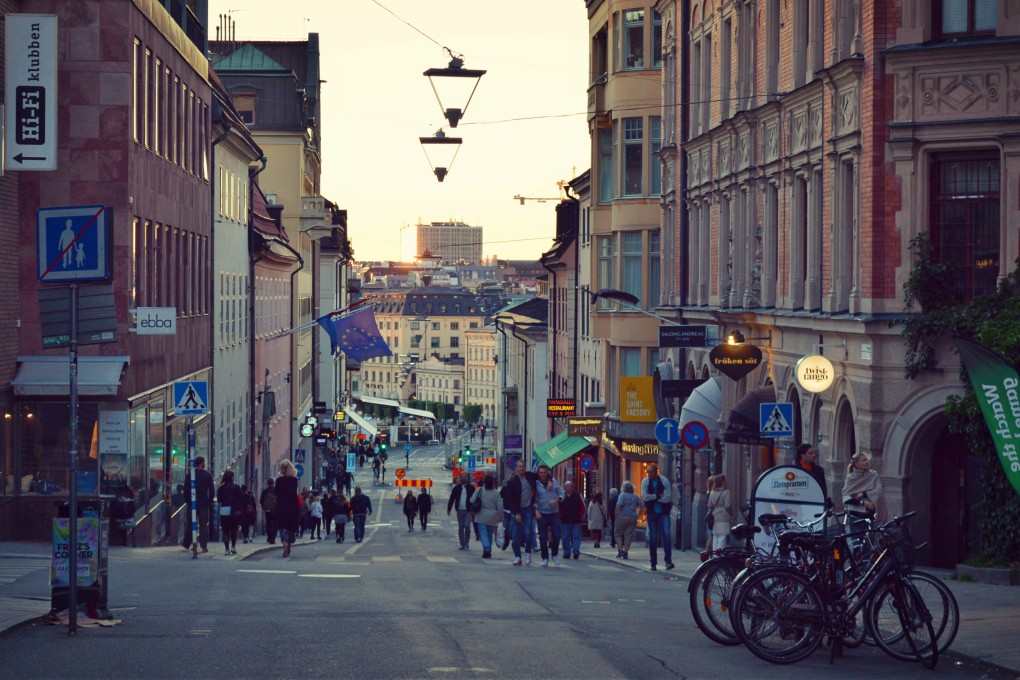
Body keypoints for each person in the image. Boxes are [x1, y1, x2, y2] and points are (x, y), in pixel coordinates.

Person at [640, 464, 675, 571]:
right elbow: (644, 496)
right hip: (651, 513)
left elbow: (668, 498)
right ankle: (653, 563)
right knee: (653, 538)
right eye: (648, 472)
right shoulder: (645, 482)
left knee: (666, 536)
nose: (649, 474)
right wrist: (657, 496)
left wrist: (654, 498)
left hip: (664, 513)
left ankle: (668, 561)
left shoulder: (664, 482)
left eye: (651, 472)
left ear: (656, 472)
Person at [505, 459, 538, 566]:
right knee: (515, 535)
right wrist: (516, 513)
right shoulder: (512, 482)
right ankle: (518, 557)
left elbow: (544, 476)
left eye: (523, 466)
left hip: (528, 509)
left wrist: (550, 482)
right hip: (516, 510)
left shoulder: (530, 476)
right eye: (519, 466)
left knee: (528, 533)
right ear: (516, 468)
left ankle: (528, 553)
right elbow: (510, 499)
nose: (522, 468)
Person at [533, 464, 563, 567]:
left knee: (557, 534)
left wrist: (557, 500)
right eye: (541, 473)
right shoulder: (536, 484)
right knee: (542, 537)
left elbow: (561, 493)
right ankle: (545, 558)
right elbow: (533, 499)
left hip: (554, 512)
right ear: (538, 473)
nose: (543, 475)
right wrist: (536, 510)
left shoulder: (554, 482)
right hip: (542, 513)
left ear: (547, 472)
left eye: (544, 472)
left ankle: (554, 554)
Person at [182, 456, 214, 553]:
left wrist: (188, 501)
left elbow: (186, 490)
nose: (205, 464)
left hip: (192, 503)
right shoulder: (208, 475)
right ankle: (203, 546)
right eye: (204, 462)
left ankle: (187, 544)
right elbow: (212, 491)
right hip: (203, 503)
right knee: (203, 525)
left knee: (191, 524)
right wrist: (208, 502)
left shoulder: (190, 475)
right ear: (201, 463)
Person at [842, 452, 885, 521]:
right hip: (855, 515)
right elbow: (846, 498)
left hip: (870, 514)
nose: (867, 461)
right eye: (864, 460)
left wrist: (863, 494)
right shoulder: (850, 478)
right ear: (857, 464)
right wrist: (864, 503)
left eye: (867, 459)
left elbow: (879, 491)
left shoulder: (873, 474)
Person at [470, 474, 504, 558]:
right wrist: (501, 517)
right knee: (489, 534)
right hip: (492, 517)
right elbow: (500, 506)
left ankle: (486, 549)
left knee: (483, 533)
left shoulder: (479, 490)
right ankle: (489, 550)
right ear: (493, 483)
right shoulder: (496, 493)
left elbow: (471, 500)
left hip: (481, 515)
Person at [274, 460, 300, 558]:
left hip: (282, 506)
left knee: (281, 527)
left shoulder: (279, 481)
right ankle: (288, 544)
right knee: (290, 528)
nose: (281, 469)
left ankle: (285, 546)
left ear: (285, 469)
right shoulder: (294, 480)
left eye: (282, 468)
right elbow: (293, 493)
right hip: (292, 506)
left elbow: (276, 493)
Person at [614, 481, 644, 560]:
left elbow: (619, 505)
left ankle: (620, 550)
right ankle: (626, 552)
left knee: (617, 533)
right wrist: (638, 515)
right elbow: (642, 505)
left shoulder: (622, 495)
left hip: (623, 516)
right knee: (628, 535)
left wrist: (617, 514)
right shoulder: (635, 496)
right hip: (632, 517)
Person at [217, 470, 244, 556]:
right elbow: (240, 499)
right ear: (231, 477)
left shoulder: (221, 488)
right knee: (233, 530)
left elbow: (219, 500)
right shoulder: (236, 487)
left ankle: (226, 549)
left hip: (224, 510)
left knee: (225, 530)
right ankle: (233, 547)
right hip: (234, 511)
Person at [447, 472, 476, 550]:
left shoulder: (471, 488)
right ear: (460, 478)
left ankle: (466, 543)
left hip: (468, 510)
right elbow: (452, 498)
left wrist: (474, 510)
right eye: (462, 477)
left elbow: (475, 499)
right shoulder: (457, 488)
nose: (463, 478)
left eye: (465, 477)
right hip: (459, 510)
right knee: (461, 527)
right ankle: (461, 543)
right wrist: (449, 509)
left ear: (467, 478)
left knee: (467, 526)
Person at [559, 480, 586, 560]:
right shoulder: (562, 497)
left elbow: (583, 508)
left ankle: (576, 552)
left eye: (571, 486)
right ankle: (567, 552)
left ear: (573, 487)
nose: (569, 488)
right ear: (565, 487)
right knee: (565, 538)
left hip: (575, 521)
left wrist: (579, 516)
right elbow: (558, 508)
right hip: (564, 521)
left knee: (576, 537)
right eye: (567, 486)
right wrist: (560, 516)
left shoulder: (577, 496)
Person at [707, 474, 732, 551]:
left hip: (715, 518)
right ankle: (719, 555)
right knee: (722, 538)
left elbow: (709, 505)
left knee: (716, 537)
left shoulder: (712, 493)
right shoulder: (726, 492)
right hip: (724, 518)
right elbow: (728, 505)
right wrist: (731, 513)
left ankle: (715, 556)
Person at [260, 478, 278, 544]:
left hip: (267, 510)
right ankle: (273, 538)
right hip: (275, 510)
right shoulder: (276, 490)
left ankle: (269, 537)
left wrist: (264, 508)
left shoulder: (265, 491)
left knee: (268, 524)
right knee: (275, 524)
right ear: (273, 483)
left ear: (267, 483)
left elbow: (261, 501)